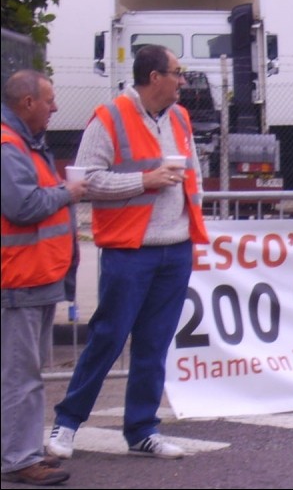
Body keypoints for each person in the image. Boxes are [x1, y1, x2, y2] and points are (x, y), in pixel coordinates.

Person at [47, 45, 208, 461]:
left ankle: (141, 429)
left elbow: (194, 176)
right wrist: (145, 181)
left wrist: (193, 220)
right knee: (108, 338)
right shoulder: (110, 118)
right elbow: (88, 182)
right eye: (177, 72)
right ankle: (67, 423)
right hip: (129, 250)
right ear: (154, 77)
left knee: (154, 344)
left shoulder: (180, 118)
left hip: (174, 248)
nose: (183, 81)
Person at [2, 70, 86, 486]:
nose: (55, 108)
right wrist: (67, 194)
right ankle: (19, 458)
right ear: (28, 103)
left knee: (25, 375)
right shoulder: (9, 147)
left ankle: (23, 451)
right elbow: (23, 206)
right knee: (22, 376)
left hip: (33, 277)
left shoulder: (23, 145)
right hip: (20, 280)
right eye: (49, 100)